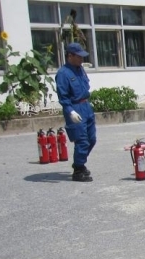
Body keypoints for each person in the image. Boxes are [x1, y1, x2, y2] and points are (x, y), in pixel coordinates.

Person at [55, 42, 96, 182]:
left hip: (86, 106)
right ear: (70, 56)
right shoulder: (63, 74)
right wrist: (70, 111)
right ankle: (78, 169)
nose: (81, 60)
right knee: (82, 140)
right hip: (74, 108)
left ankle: (80, 162)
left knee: (92, 139)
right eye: (78, 57)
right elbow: (63, 96)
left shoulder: (80, 69)